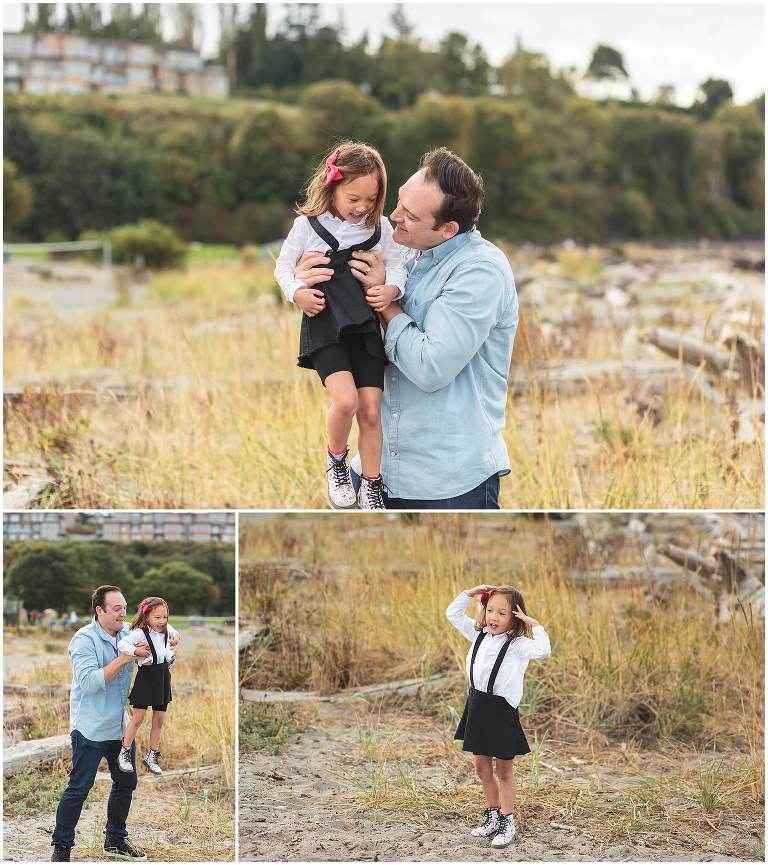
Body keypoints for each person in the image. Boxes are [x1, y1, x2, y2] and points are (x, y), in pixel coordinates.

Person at [294, 147, 518, 509]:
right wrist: (308, 283)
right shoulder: (399, 251)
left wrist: (385, 303)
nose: (392, 215)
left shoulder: (480, 272)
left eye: (410, 216)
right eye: (398, 201)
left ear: (448, 229)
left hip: (446, 484)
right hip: (374, 471)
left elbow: (430, 368)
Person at [275, 141, 407, 511]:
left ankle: (371, 483)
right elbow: (282, 268)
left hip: (365, 326)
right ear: (331, 185)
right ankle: (336, 462)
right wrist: (298, 292)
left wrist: (391, 289)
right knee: (345, 401)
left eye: (371, 199)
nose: (362, 208)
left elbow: (397, 266)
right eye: (353, 198)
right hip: (325, 324)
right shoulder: (307, 226)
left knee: (370, 410)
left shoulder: (379, 227)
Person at [51, 585, 151, 862]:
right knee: (80, 787)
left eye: (125, 608)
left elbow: (155, 658)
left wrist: (166, 647)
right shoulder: (84, 640)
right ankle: (62, 849)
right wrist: (125, 657)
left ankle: (115, 840)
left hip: (120, 726)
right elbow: (90, 683)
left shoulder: (129, 635)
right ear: (100, 611)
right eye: (117, 609)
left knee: (126, 781)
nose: (124, 613)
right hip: (90, 728)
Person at [446, 584, 551, 848]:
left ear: (515, 617)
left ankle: (507, 821)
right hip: (477, 706)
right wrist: (470, 593)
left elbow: (544, 650)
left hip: (502, 711)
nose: (493, 617)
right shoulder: (478, 634)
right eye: (490, 610)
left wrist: (535, 625)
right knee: (481, 767)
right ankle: (492, 815)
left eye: (502, 613)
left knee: (504, 769)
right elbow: (452, 614)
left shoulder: (517, 644)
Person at [117, 597, 180, 776]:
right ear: (147, 617)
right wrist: (136, 651)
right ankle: (125, 752)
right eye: (157, 618)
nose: (162, 621)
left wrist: (175, 640)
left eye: (165, 617)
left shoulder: (167, 629)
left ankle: (152, 756)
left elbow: (177, 635)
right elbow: (123, 644)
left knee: (159, 720)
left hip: (162, 676)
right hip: (146, 677)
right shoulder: (140, 633)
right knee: (138, 718)